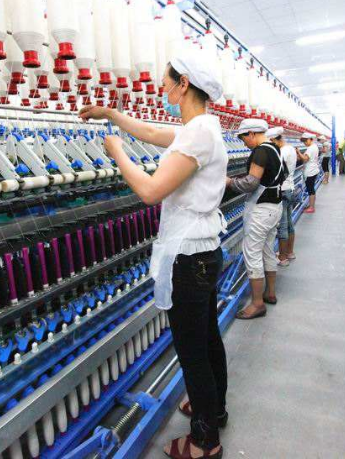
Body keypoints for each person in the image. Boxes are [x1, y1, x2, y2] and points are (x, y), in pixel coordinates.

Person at [80, 50, 227, 459]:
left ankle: (204, 442)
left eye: (165, 83)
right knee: (207, 338)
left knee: (193, 352)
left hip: (189, 259)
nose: (162, 89)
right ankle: (213, 409)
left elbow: (149, 191)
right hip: (203, 253)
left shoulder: (197, 134)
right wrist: (111, 114)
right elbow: (147, 131)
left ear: (183, 85)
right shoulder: (201, 127)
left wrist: (117, 152)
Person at [227, 119, 286, 320]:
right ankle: (270, 292)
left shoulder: (260, 151)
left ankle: (257, 304)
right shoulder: (274, 148)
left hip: (261, 210)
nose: (243, 143)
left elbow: (251, 183)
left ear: (251, 133)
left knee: (252, 254)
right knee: (268, 250)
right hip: (275, 207)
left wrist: (229, 182)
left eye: (243, 138)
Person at [266, 127, 300, 267]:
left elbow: (276, 170)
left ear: (274, 140)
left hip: (283, 190)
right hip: (290, 188)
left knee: (283, 225)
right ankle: (290, 252)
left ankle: (282, 257)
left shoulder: (281, 152)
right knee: (290, 224)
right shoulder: (291, 149)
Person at [302, 133, 320, 214]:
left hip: (310, 171)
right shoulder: (314, 146)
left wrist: (298, 152)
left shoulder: (310, 148)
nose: (304, 143)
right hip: (314, 170)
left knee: (310, 190)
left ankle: (311, 207)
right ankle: (311, 205)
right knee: (311, 189)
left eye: (305, 141)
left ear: (310, 139)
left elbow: (305, 159)